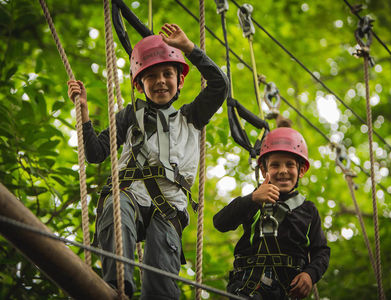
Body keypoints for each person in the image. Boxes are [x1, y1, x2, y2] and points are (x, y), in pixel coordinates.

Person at [68, 23, 228, 299]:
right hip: (129, 194)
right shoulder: (129, 117)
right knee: (115, 209)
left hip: (168, 205)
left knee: (162, 258)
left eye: (168, 74)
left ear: (180, 80)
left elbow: (219, 85)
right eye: (151, 76)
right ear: (139, 84)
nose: (161, 81)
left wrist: (189, 48)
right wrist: (83, 113)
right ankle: (116, 286)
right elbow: (95, 153)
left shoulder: (192, 117)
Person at [213, 127, 330, 299]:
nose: (283, 170)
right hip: (248, 286)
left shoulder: (308, 210)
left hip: (286, 290)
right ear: (263, 170)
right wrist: (252, 198)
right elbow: (221, 223)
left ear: (301, 170)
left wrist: (310, 275)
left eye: (290, 164)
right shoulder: (254, 201)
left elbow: (321, 251)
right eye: (275, 165)